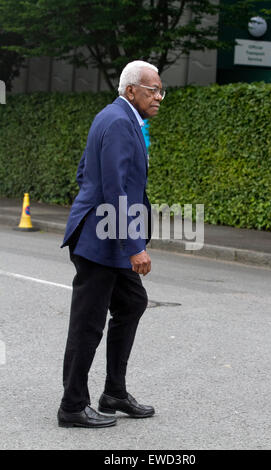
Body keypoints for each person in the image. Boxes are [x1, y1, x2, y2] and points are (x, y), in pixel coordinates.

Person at [57, 60, 165, 428]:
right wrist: (134, 245)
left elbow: (85, 171)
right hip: (100, 240)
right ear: (131, 90)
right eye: (153, 90)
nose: (159, 97)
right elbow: (113, 189)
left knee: (132, 302)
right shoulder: (119, 122)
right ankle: (72, 405)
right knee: (87, 324)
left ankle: (114, 393)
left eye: (161, 90)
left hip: (106, 235)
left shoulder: (115, 117)